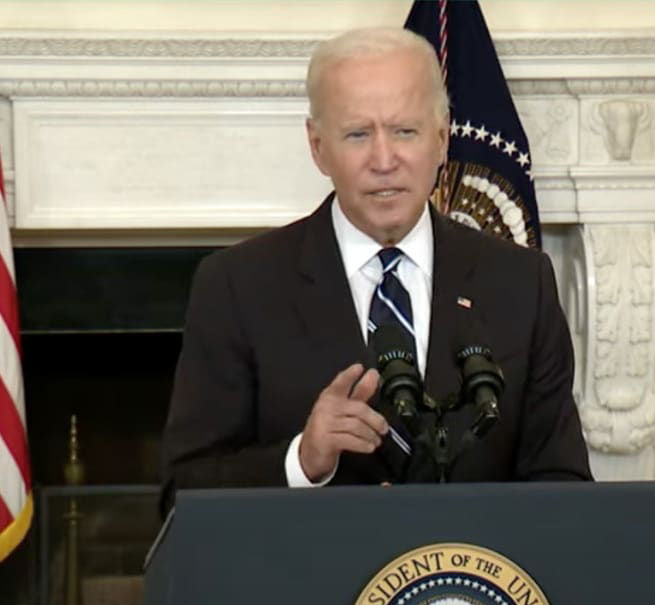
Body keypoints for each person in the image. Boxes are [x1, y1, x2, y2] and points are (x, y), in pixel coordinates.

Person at [160, 27, 591, 509]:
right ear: (318, 147)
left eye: (405, 131)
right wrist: (302, 461)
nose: (384, 160)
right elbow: (183, 494)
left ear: (443, 138)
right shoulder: (237, 287)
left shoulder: (520, 283)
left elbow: (564, 484)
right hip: (308, 581)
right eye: (358, 134)